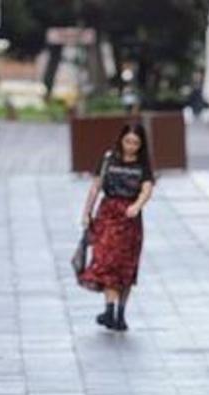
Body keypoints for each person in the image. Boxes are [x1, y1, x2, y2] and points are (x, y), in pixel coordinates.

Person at [79, 124, 155, 332]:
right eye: (128, 141)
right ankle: (110, 309)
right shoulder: (108, 160)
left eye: (136, 143)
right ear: (121, 140)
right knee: (107, 260)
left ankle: (120, 312)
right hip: (108, 214)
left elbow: (147, 189)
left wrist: (137, 206)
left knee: (126, 266)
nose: (131, 147)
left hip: (130, 219)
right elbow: (95, 186)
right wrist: (87, 212)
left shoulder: (142, 165)